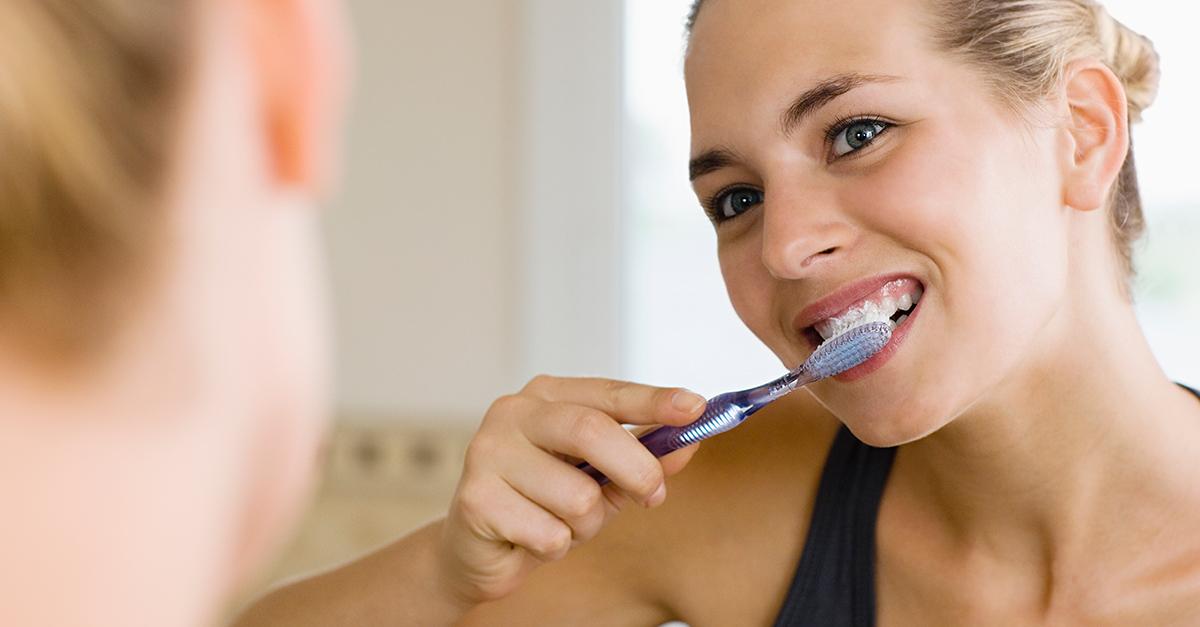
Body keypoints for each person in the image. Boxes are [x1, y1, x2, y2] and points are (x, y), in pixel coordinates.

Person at [236, 0, 1200, 625]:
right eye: (735, 198)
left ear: (1081, 132)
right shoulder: (720, 498)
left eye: (858, 133)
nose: (783, 247)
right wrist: (451, 574)